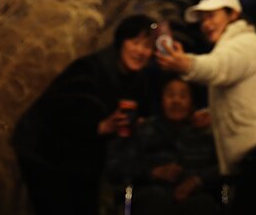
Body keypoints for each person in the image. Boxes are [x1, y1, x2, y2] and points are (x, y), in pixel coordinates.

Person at [156, 0, 256, 215]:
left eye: (212, 16)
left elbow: (217, 68)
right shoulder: (241, 45)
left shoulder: (243, 43)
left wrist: (185, 64)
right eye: (202, 19)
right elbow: (244, 95)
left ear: (233, 14)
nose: (205, 24)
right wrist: (212, 113)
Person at [12, 14, 158, 215]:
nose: (141, 51)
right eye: (135, 43)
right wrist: (98, 127)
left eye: (148, 47)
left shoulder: (136, 79)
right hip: (43, 148)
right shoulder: (90, 69)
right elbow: (56, 112)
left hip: (83, 154)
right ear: (121, 42)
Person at [108, 77, 223, 215]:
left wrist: (197, 180)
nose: (176, 101)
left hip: (194, 196)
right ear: (161, 101)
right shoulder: (143, 130)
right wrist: (153, 172)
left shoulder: (203, 133)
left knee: (203, 204)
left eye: (183, 96)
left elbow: (223, 168)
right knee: (154, 199)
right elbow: (116, 167)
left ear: (191, 102)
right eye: (170, 95)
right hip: (152, 197)